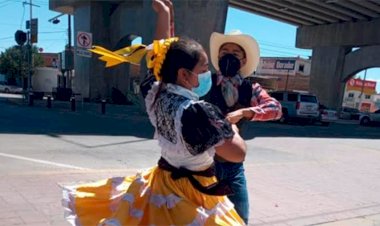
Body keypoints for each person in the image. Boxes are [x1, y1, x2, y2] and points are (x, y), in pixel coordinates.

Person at [62, 8, 248, 226]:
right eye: (204, 68)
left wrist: (164, 15)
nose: (208, 73)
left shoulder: (156, 94)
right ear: (184, 74)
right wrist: (231, 128)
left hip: (164, 181)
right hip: (194, 190)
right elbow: (237, 154)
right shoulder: (198, 112)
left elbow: (160, 57)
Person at [151, 1, 282, 224]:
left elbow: (275, 109)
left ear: (243, 60)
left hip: (232, 167)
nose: (228, 56)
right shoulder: (202, 81)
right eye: (224, 51)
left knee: (239, 218)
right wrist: (167, 20)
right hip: (202, 165)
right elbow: (169, 66)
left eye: (234, 52)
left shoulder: (251, 88)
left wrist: (246, 112)